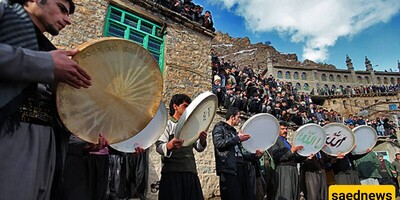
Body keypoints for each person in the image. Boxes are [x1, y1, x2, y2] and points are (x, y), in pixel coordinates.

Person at [0, 0, 91, 199]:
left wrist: (80, 142)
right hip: (10, 143)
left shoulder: (49, 49)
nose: (67, 20)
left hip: (47, 153)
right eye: (61, 9)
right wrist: (45, 64)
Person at [155, 94, 207, 200]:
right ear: (175, 106)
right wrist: (169, 145)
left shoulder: (191, 127)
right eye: (185, 106)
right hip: (172, 174)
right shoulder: (167, 125)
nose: (188, 109)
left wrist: (202, 140)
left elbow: (198, 147)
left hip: (190, 171)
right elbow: (159, 147)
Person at [212, 106, 263, 200]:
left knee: (247, 196)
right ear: (232, 117)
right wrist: (237, 139)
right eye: (238, 117)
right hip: (229, 169)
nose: (240, 120)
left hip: (241, 168)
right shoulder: (219, 127)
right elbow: (218, 143)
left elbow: (240, 154)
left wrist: (255, 155)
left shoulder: (234, 132)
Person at [268, 121, 304, 200]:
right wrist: (291, 151)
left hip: (293, 170)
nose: (285, 131)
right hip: (283, 170)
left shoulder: (287, 142)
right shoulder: (274, 141)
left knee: (294, 194)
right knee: (285, 194)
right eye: (282, 129)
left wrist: (305, 155)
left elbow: (296, 158)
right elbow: (278, 157)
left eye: (286, 129)